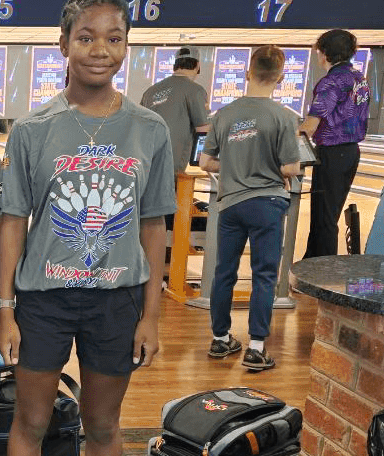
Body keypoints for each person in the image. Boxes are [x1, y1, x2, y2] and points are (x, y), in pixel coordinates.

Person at [0, 0, 174, 456]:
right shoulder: (34, 129)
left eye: (114, 38)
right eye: (87, 37)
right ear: (64, 45)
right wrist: (5, 310)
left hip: (115, 301)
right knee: (31, 421)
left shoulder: (149, 129)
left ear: (127, 46)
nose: (101, 49)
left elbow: (155, 224)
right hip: (43, 299)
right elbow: (12, 223)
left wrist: (152, 313)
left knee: (102, 424)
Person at [199, 46, 302, 372]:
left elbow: (206, 162)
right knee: (264, 276)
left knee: (224, 273)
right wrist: (266, 166)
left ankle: (220, 339)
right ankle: (256, 349)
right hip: (267, 204)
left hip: (231, 205)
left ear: (247, 73)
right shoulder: (284, 117)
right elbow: (292, 167)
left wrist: (235, 165)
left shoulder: (224, 114)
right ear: (280, 78)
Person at [299, 29, 369, 259]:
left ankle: (322, 269)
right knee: (327, 215)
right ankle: (311, 262)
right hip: (350, 152)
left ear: (325, 53)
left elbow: (310, 125)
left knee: (324, 218)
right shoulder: (359, 78)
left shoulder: (331, 82)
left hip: (332, 153)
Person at [140, 47, 211, 175]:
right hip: (172, 167)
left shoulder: (150, 92)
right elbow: (203, 130)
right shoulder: (195, 91)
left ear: (175, 65)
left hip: (144, 162)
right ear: (197, 65)